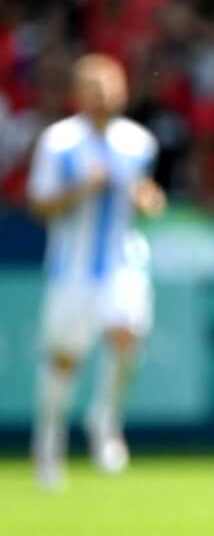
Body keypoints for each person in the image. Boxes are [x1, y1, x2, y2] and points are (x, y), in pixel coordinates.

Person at [26, 54, 165, 489]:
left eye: (111, 84)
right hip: (73, 267)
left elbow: (144, 195)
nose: (104, 93)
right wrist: (79, 188)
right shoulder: (59, 142)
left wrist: (149, 200)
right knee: (64, 360)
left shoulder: (139, 142)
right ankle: (49, 440)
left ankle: (105, 418)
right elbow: (38, 204)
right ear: (78, 93)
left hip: (122, 263)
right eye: (94, 85)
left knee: (128, 335)